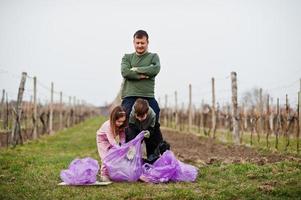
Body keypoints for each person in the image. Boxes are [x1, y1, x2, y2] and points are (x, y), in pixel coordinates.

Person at [120, 30, 161, 123]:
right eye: (137, 43)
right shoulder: (127, 57)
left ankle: (151, 137)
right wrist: (142, 75)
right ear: (133, 42)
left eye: (142, 43)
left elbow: (155, 69)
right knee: (125, 119)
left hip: (147, 95)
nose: (139, 45)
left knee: (155, 114)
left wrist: (135, 69)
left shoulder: (153, 57)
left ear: (147, 42)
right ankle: (128, 138)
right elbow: (125, 72)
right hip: (130, 95)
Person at [96, 106, 126, 181]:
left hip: (109, 140)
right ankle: (104, 174)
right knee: (105, 157)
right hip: (102, 140)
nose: (121, 123)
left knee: (112, 155)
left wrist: (123, 145)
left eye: (123, 121)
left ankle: (111, 172)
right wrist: (118, 148)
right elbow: (111, 140)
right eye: (119, 121)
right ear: (113, 119)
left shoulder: (121, 125)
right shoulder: (108, 126)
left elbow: (122, 136)